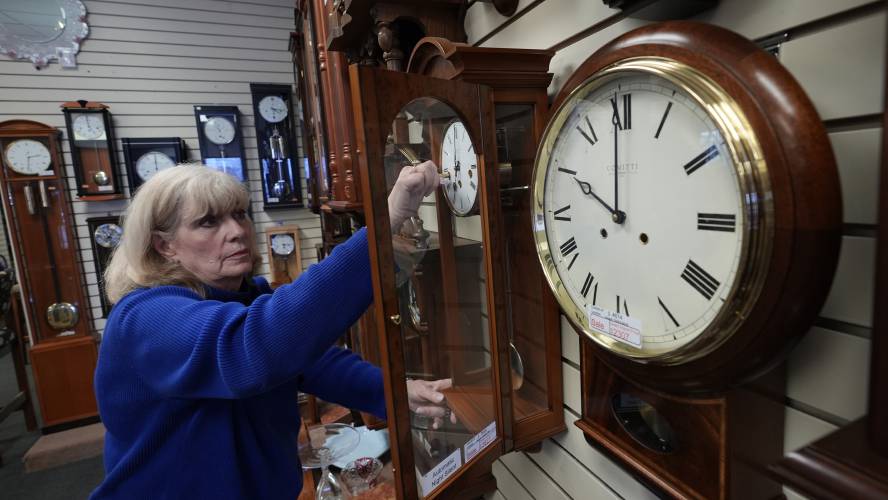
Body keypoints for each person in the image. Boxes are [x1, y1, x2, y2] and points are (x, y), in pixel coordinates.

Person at [90, 162, 453, 499]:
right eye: (208, 222)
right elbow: (256, 347)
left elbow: (314, 365)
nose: (236, 232)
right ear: (164, 245)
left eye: (239, 214)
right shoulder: (146, 317)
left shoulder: (244, 297)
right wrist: (382, 224)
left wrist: (394, 393)